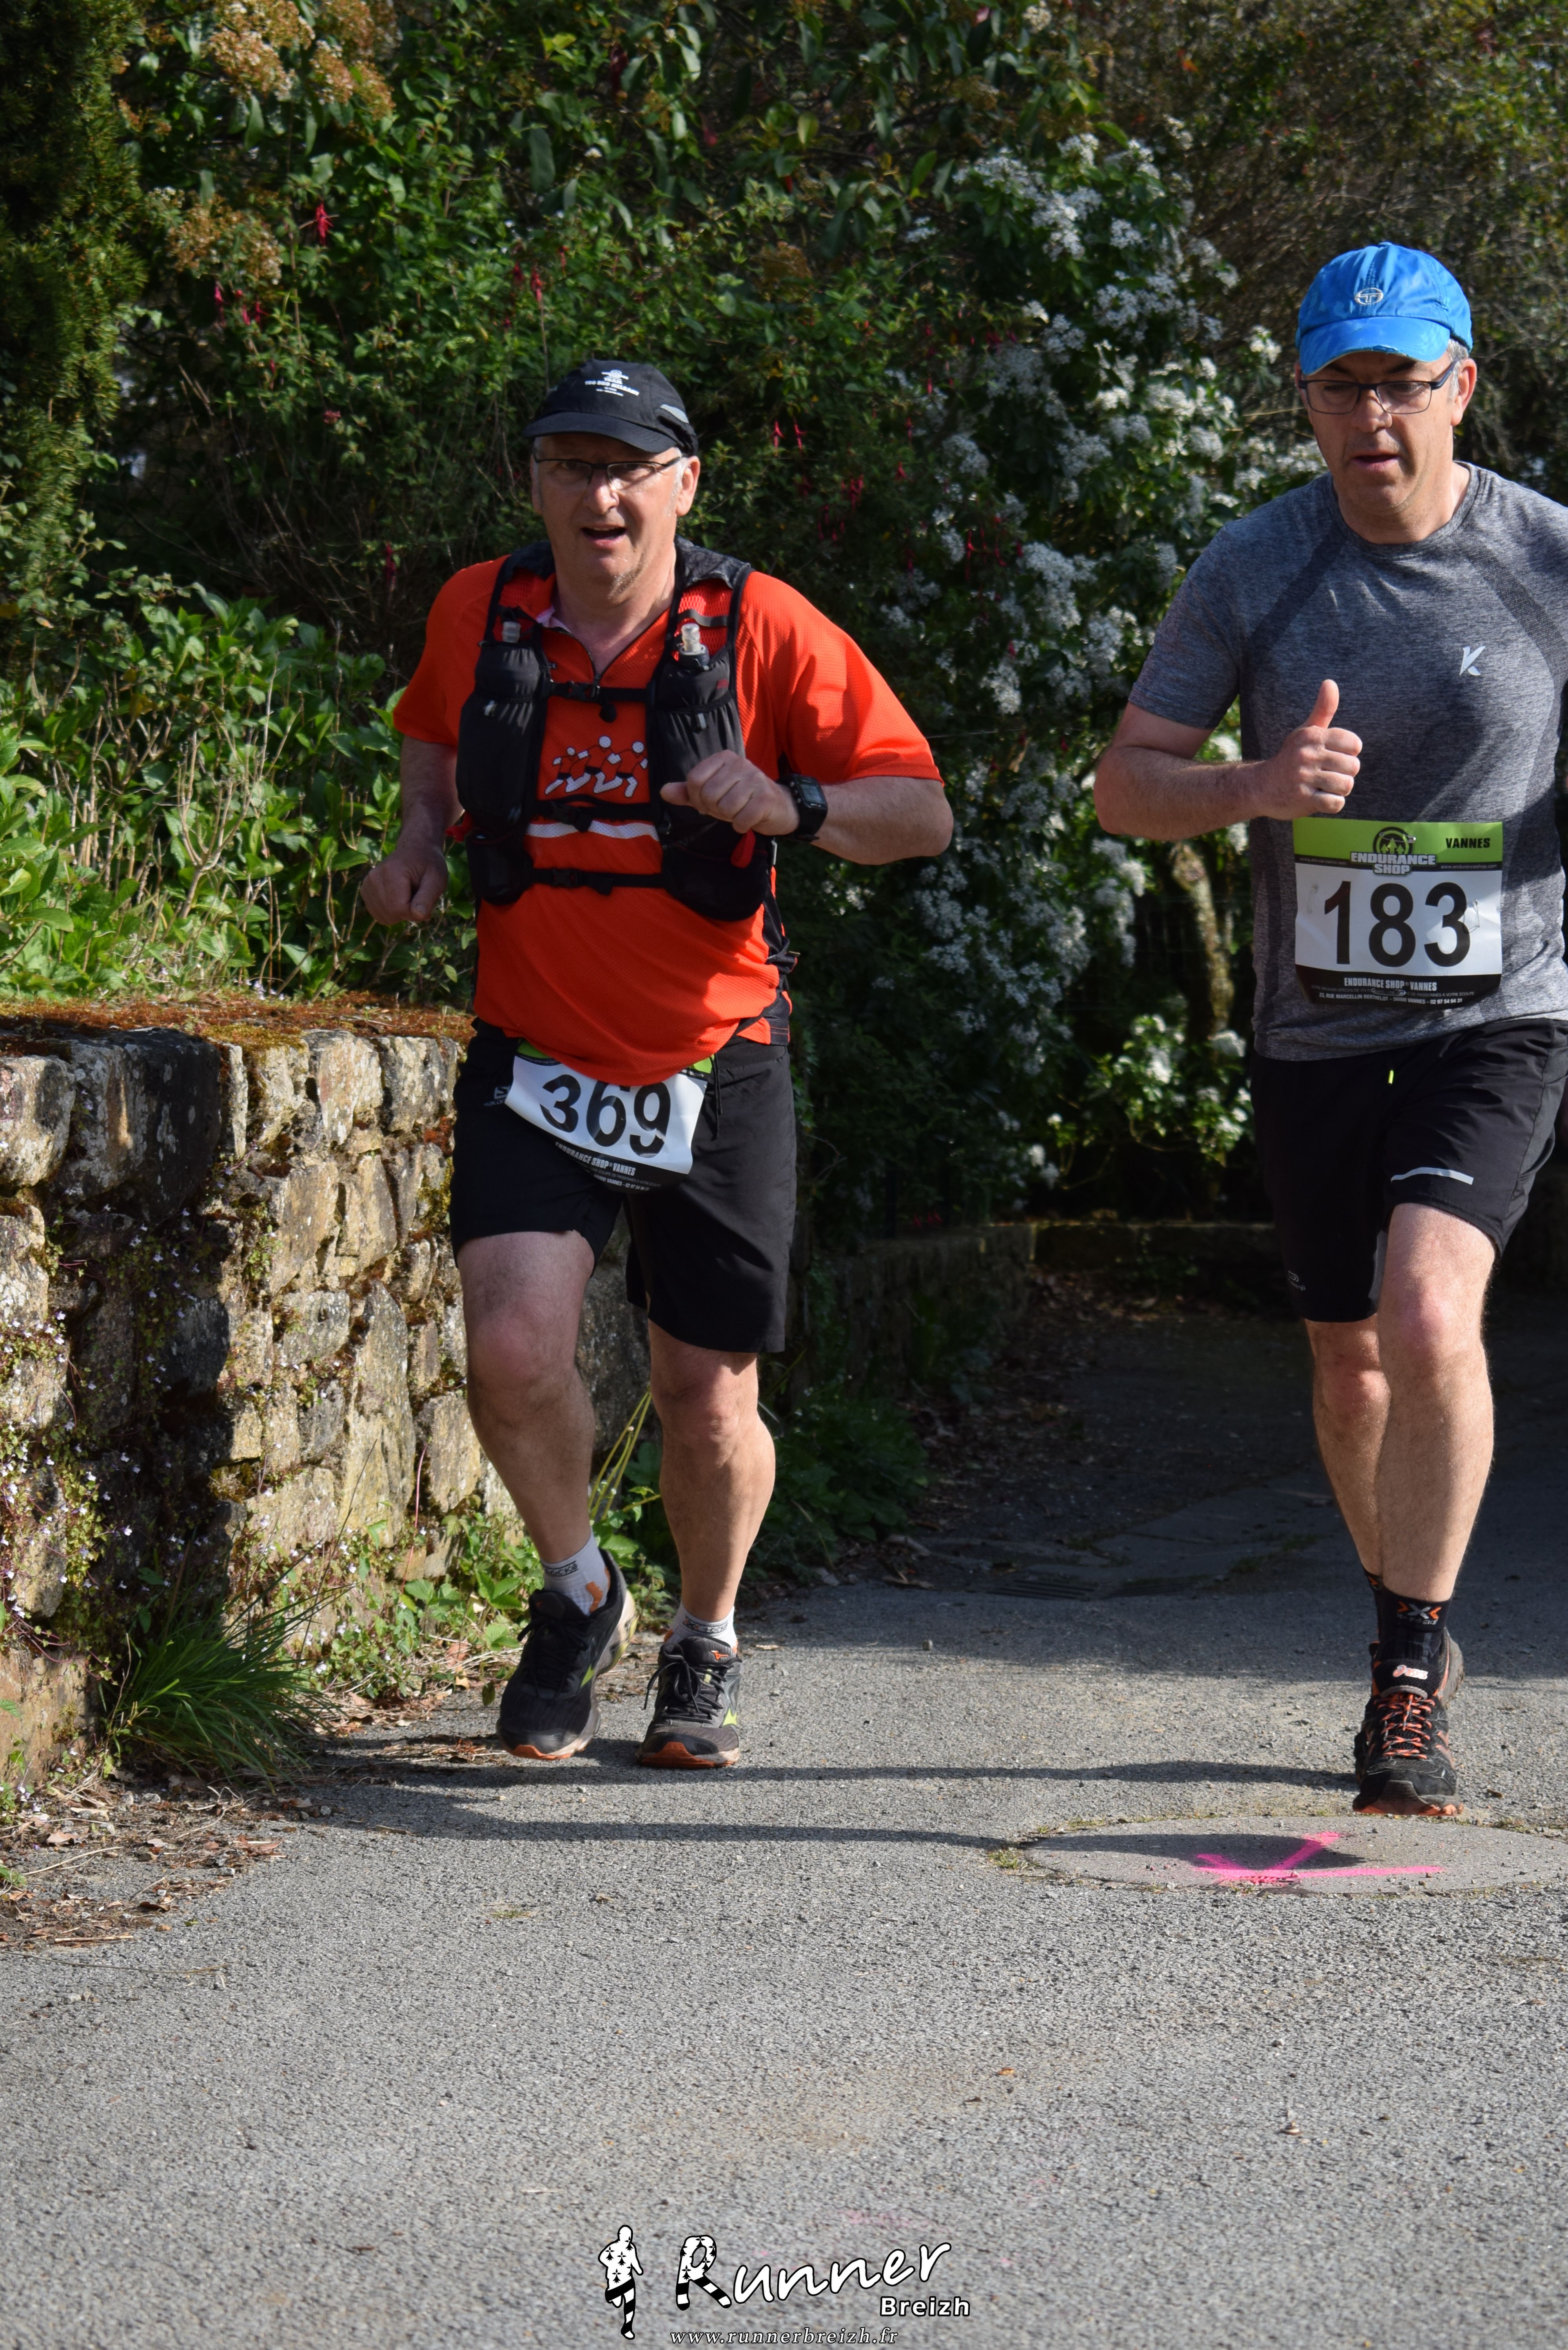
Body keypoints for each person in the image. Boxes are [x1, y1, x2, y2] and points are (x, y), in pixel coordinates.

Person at [362, 359, 949, 1768]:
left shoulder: (762, 625)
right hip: (536, 1048)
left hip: (714, 1054)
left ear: (685, 483)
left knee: (706, 1394)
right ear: (536, 482)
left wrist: (794, 803)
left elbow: (920, 810)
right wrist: (419, 843)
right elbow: (433, 737)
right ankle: (579, 1592)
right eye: (572, 465)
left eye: (630, 467)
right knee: (511, 1348)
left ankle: (706, 1633)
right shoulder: (480, 609)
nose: (602, 496)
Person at [1094, 243, 1568, 1817]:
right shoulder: (1256, 565)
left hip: (1499, 1009)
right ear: (1303, 399)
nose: (1373, 416)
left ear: (1461, 386)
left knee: (1430, 1314)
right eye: (1339, 386)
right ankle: (1406, 1615)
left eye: (1401, 383)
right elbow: (1123, 785)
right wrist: (1252, 786)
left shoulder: (1547, 558)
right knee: (1350, 1364)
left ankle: (1406, 1679)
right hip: (1316, 1025)